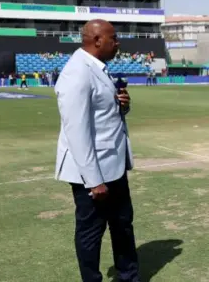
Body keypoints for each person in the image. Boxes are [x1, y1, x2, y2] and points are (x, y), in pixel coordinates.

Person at [54, 19, 139, 282]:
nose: (118, 43)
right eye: (113, 38)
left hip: (113, 166)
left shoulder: (99, 68)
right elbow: (76, 131)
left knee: (123, 225)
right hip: (93, 175)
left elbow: (102, 114)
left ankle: (129, 277)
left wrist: (122, 105)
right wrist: (94, 180)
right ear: (97, 40)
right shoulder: (77, 72)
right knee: (91, 233)